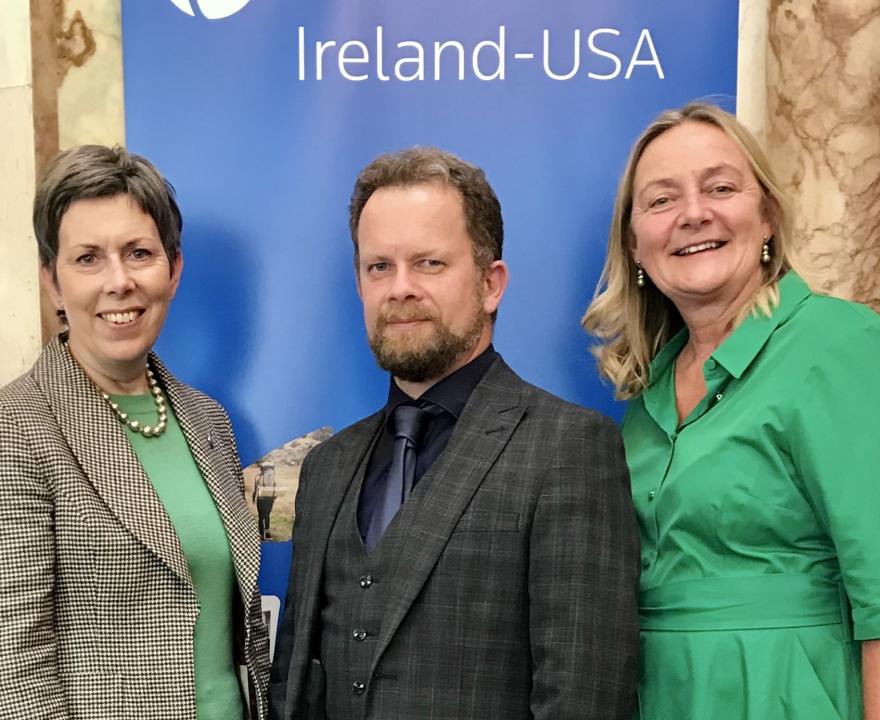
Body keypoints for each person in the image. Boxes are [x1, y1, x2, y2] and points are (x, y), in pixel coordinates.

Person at [582, 102, 880, 720]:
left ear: (769, 217)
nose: (693, 213)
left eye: (721, 187)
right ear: (635, 244)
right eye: (661, 200)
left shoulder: (841, 348)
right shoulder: (646, 398)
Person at [269, 147, 639, 720]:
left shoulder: (569, 449)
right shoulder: (328, 466)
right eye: (379, 267)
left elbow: (584, 700)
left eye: (430, 263)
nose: (400, 288)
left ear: (491, 284)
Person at [0, 145, 270, 719]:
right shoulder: (16, 426)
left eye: (138, 253)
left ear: (173, 270)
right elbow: (16, 673)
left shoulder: (206, 418)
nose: (118, 281)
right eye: (88, 258)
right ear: (52, 283)